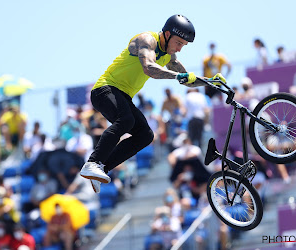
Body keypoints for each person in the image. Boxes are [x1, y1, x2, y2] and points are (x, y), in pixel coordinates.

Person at [80, 14, 227, 193]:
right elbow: (149, 67)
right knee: (126, 120)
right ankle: (93, 162)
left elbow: (187, 79)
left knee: (145, 135)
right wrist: (177, 76)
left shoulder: (169, 55)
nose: (180, 49)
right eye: (179, 43)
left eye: (183, 45)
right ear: (166, 34)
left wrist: (210, 82)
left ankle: (102, 168)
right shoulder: (147, 40)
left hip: (123, 95)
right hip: (105, 89)